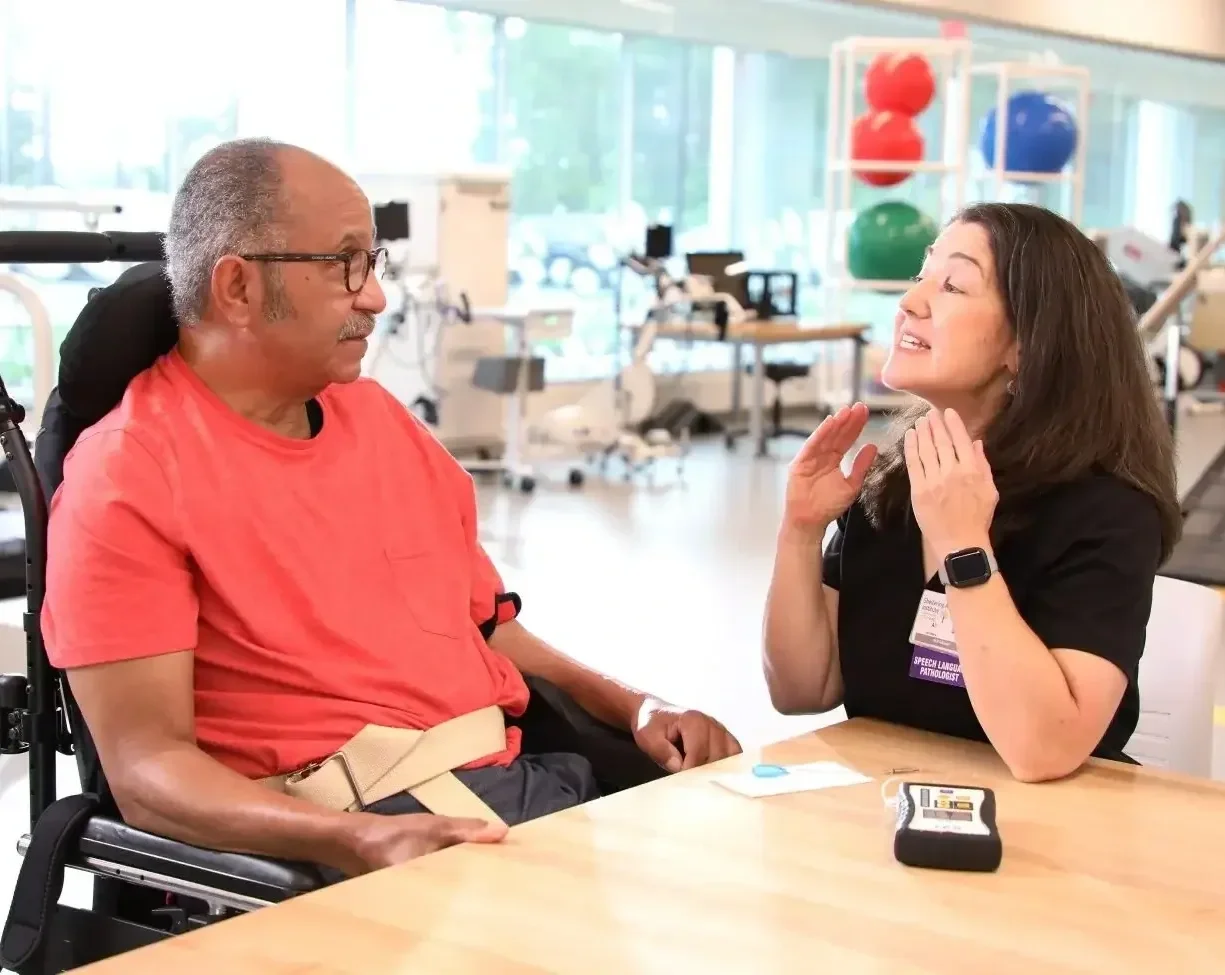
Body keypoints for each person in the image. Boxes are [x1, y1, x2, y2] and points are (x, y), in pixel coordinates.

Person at [42, 137, 740, 879]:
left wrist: (639, 707)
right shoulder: (130, 475)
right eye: (344, 264)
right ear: (238, 288)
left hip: (527, 796)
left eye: (372, 263)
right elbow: (148, 771)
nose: (374, 295)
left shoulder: (377, 419)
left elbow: (487, 631)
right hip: (361, 840)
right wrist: (348, 840)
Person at [763, 202, 1181, 783]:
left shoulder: (1107, 514)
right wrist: (801, 531)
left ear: (1027, 346)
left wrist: (962, 545)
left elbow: (1042, 752)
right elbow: (802, 688)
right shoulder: (888, 486)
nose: (911, 303)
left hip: (1056, 838)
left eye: (953, 285)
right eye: (921, 276)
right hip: (891, 812)